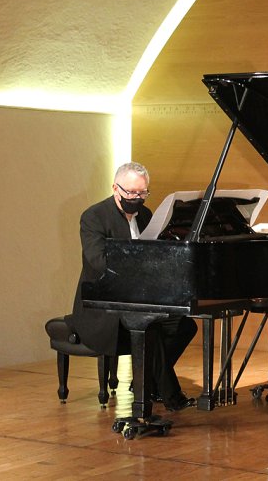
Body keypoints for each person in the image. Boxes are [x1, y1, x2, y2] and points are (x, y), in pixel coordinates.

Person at [65, 162, 197, 411]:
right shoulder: (94, 216)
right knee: (150, 328)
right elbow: (97, 261)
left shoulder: (146, 215)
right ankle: (170, 395)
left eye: (143, 193)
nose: (137, 199)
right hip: (103, 307)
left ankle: (146, 382)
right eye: (132, 193)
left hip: (137, 301)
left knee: (185, 326)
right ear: (115, 188)